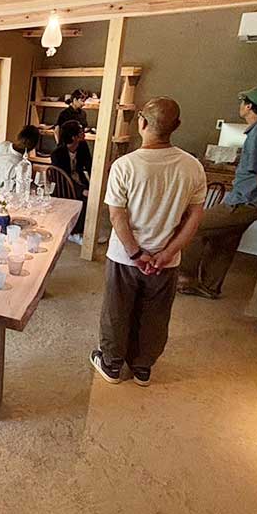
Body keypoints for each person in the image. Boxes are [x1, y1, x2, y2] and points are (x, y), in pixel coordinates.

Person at [90, 97, 206, 386]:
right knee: (155, 314)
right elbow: (194, 217)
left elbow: (117, 215)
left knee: (117, 311)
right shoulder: (192, 166)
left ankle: (112, 365)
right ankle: (142, 367)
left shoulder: (125, 165)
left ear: (141, 123)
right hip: (167, 259)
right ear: (177, 126)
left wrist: (135, 253)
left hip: (125, 256)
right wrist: (167, 253)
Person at [178, 85, 257, 299]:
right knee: (224, 240)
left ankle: (185, 278)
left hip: (245, 202)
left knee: (192, 226)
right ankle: (210, 286)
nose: (241, 105)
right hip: (249, 201)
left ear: (249, 106)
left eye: (243, 102)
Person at [50, 120, 91, 244]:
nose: (84, 133)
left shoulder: (83, 146)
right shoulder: (57, 153)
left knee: (94, 197)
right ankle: (74, 232)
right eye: (81, 132)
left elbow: (90, 166)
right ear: (74, 137)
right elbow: (63, 178)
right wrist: (82, 190)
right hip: (64, 186)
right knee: (84, 199)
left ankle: (88, 231)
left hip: (79, 180)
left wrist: (95, 184)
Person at [0, 125, 41, 191]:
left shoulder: (2, 145)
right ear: (33, 147)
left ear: (18, 136)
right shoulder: (23, 165)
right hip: (2, 195)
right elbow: (22, 190)